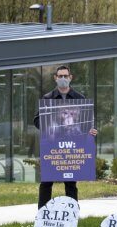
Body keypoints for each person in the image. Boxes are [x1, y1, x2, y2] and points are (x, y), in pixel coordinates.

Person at [33, 65, 97, 209]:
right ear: (55, 78)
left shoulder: (79, 98)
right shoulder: (47, 99)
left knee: (71, 183)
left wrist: (91, 131)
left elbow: (87, 123)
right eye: (60, 76)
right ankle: (42, 214)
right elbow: (36, 121)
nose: (63, 79)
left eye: (65, 76)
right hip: (53, 147)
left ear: (70, 78)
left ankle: (72, 213)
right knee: (46, 182)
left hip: (72, 148)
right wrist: (49, 125)